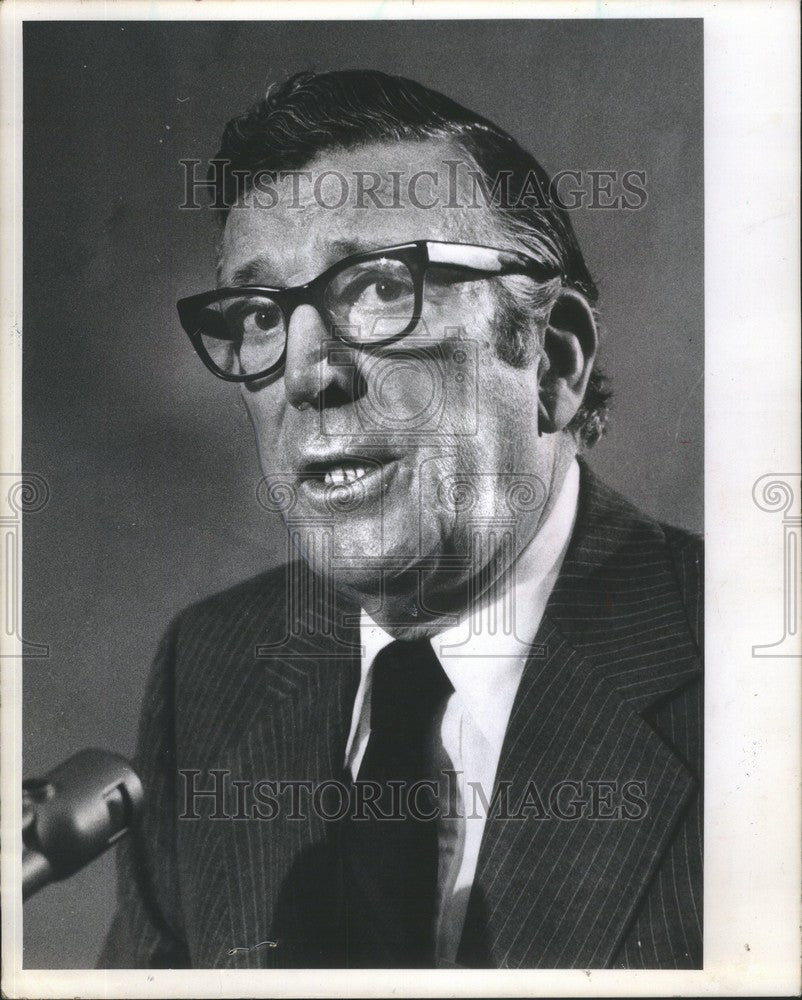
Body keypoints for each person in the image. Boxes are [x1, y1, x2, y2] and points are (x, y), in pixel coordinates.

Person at [99, 70, 703, 970]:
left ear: (553, 361)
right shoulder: (208, 671)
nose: (309, 374)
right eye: (262, 314)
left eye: (381, 289)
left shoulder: (751, 671)